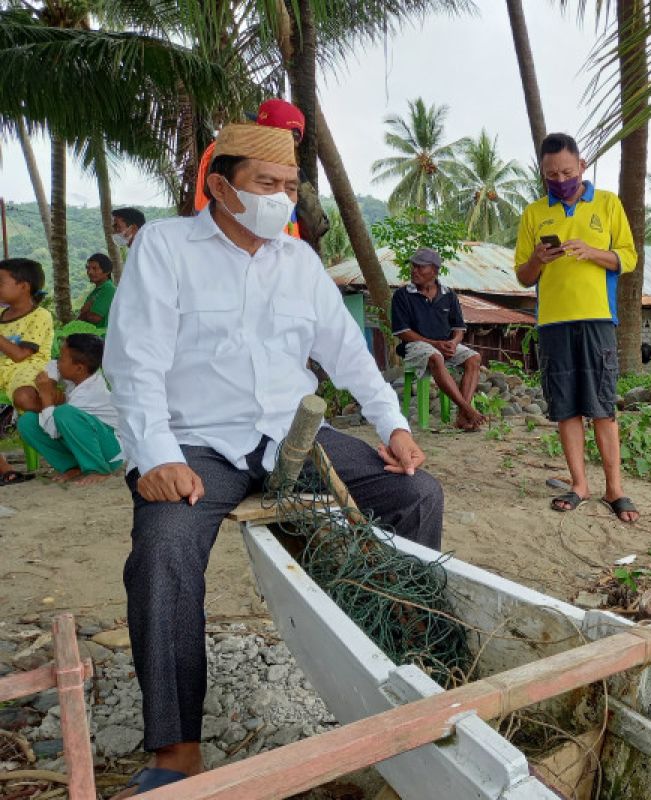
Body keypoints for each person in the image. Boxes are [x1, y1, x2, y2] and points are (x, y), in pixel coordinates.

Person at [103, 122, 443, 797]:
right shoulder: (166, 248)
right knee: (164, 546)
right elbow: (133, 360)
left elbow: (348, 353)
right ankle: (175, 748)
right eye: (267, 185)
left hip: (293, 433)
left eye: (289, 187)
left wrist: (394, 427)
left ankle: (406, 656)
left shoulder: (298, 263)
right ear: (221, 186)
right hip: (197, 441)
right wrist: (157, 457)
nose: (281, 199)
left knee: (416, 494)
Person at [514, 132, 639, 522]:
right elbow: (522, 276)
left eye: (567, 171)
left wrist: (593, 252)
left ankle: (614, 490)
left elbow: (629, 258)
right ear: (543, 174)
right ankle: (579, 485)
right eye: (551, 174)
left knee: (602, 406)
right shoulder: (534, 213)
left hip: (598, 318)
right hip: (552, 323)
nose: (560, 179)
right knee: (565, 407)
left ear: (581, 166)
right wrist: (538, 259)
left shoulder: (607, 203)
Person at [193, 98, 328, 245]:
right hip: (237, 244)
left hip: (266, 248)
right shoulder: (235, 154)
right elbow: (317, 224)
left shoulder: (223, 149)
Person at [391, 248, 487, 431]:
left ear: (434, 271)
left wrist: (454, 342)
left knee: (474, 358)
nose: (414, 270)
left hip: (444, 345)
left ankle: (461, 416)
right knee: (436, 357)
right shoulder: (402, 295)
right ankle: (467, 409)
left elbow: (459, 328)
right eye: (413, 266)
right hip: (414, 347)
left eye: (420, 267)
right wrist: (435, 344)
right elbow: (402, 332)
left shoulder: (449, 295)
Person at [17, 334, 122, 485]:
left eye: (62, 359)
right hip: (86, 445)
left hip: (110, 452)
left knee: (63, 413)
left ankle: (99, 469)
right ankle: (71, 467)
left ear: (79, 368)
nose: (58, 362)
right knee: (27, 422)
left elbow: (53, 431)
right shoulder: (78, 376)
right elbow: (52, 365)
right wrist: (51, 385)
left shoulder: (89, 394)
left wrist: (46, 395)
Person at [0, 258, 54, 484]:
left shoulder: (39, 315)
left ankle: (57, 420)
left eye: (0, 282)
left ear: (24, 286)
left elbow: (21, 355)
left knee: (23, 396)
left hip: (27, 368)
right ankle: (4, 468)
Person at [77, 253, 116, 329]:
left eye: (95, 268)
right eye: (88, 268)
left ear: (107, 271)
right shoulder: (97, 290)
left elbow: (95, 318)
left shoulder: (108, 289)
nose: (90, 272)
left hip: (100, 339)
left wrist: (84, 312)